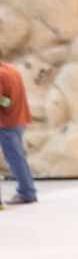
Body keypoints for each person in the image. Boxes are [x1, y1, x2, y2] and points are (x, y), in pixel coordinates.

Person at [0, 53, 36, 205]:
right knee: (19, 158)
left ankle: (26, 192)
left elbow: (4, 101)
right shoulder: (12, 69)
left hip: (7, 122)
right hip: (19, 120)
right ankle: (28, 190)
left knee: (15, 159)